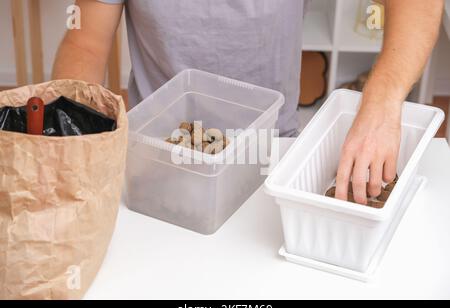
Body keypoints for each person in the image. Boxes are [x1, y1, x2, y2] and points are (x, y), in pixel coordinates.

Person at [53, 0, 444, 205]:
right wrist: (70, 134)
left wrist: (380, 104)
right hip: (158, 156)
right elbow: (85, 39)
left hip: (269, 153)